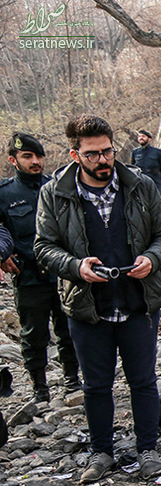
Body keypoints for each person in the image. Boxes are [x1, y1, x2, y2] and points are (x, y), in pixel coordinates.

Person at [34, 114, 161, 483]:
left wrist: (152, 258)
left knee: (143, 380)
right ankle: (101, 453)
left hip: (138, 301)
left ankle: (147, 450)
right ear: (74, 154)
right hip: (87, 306)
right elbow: (43, 247)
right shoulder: (54, 193)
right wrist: (75, 266)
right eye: (93, 154)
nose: (103, 160)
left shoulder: (140, 186)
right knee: (95, 386)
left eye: (108, 151)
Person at [0, 133, 80, 402]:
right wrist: (2, 255)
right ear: (14, 160)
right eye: (27, 157)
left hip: (62, 273)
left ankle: (72, 379)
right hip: (28, 275)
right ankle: (40, 388)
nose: (35, 162)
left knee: (68, 328)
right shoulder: (5, 194)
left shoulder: (58, 187)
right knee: (33, 335)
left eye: (38, 156)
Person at [129, 129, 161, 210]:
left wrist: (157, 175)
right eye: (139, 136)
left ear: (149, 139)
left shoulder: (157, 152)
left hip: (154, 179)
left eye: (143, 136)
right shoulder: (135, 152)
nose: (141, 138)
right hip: (141, 179)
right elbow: (132, 166)